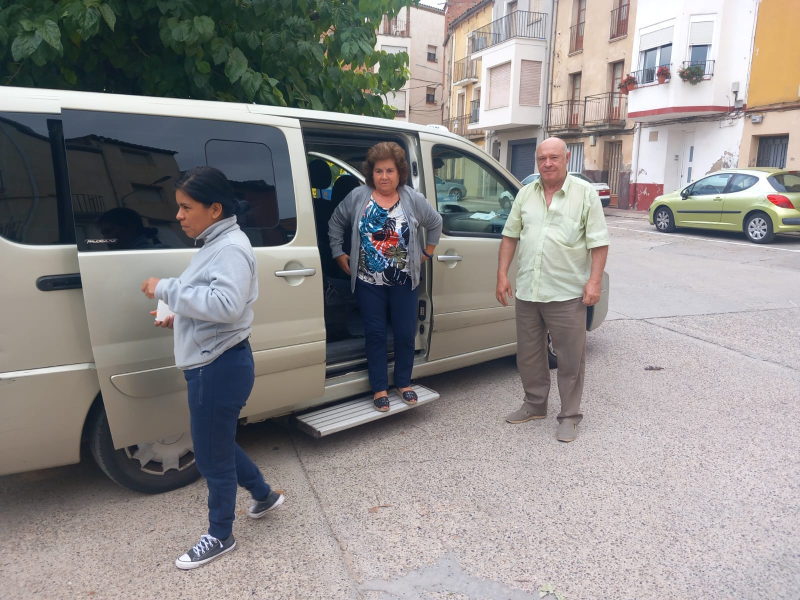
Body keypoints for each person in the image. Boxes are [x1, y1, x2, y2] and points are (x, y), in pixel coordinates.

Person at [140, 166, 284, 570]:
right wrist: (178, 315)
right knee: (217, 443)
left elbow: (226, 305)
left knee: (210, 457)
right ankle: (264, 495)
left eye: (186, 207)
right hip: (217, 360)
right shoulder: (215, 242)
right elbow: (212, 299)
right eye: (179, 208)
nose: (179, 216)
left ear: (215, 208)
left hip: (217, 367)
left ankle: (220, 535)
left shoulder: (229, 248)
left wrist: (165, 287)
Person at [496, 137, 610, 443]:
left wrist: (594, 282)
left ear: (567, 158)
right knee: (529, 356)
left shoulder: (584, 194)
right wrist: (502, 275)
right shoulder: (526, 194)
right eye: (542, 158)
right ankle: (535, 404)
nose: (547, 163)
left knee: (571, 359)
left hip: (567, 293)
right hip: (529, 291)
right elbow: (510, 236)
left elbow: (599, 242)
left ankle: (570, 416)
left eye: (554, 158)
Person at [328, 142, 443, 412]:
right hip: (368, 281)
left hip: (404, 281)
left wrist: (427, 252)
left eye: (390, 171)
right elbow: (335, 222)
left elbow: (435, 222)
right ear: (371, 173)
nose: (384, 177)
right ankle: (379, 388)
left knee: (404, 334)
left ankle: (404, 383)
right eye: (378, 171)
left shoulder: (411, 198)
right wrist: (338, 252)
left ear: (399, 172)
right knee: (376, 335)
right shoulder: (359, 197)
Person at [97, 207, 166, 250]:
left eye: (109, 231)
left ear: (130, 228)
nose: (105, 239)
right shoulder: (114, 261)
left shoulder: (160, 254)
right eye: (103, 233)